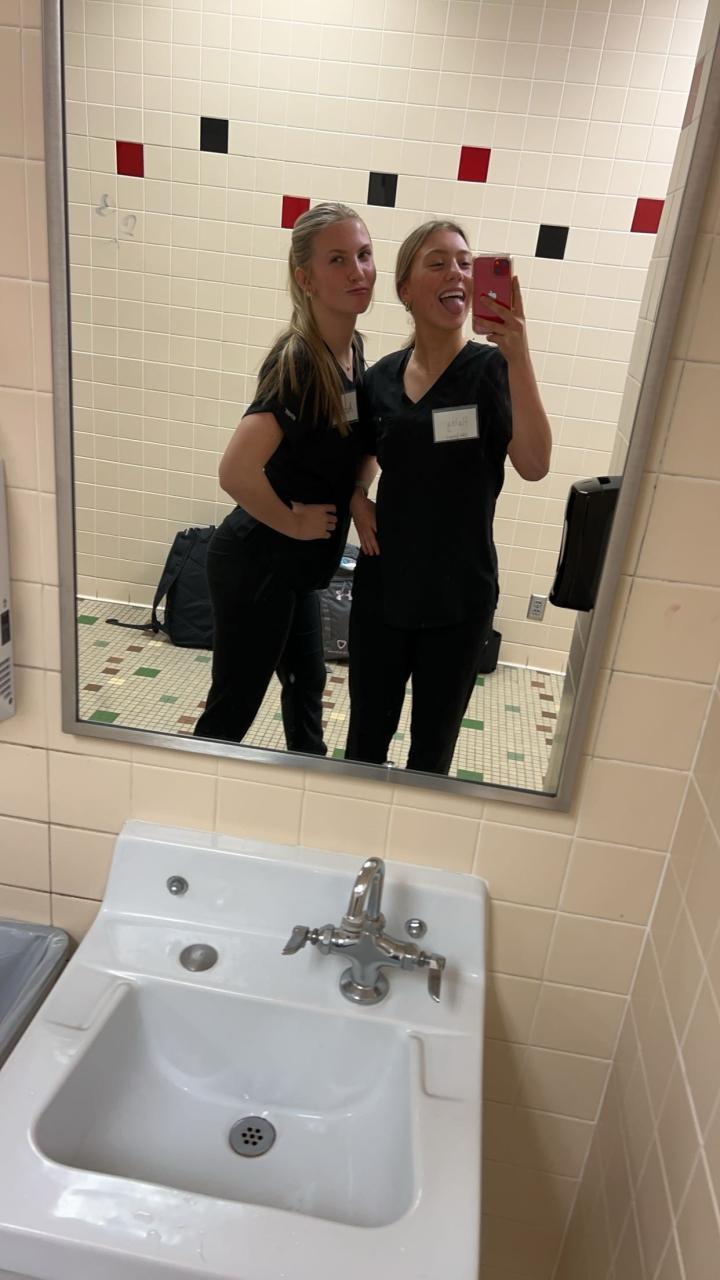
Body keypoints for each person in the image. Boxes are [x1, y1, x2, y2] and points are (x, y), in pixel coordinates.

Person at [346, 219, 552, 776]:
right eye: (436, 263)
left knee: (431, 753)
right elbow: (364, 450)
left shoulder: (493, 370)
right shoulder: (380, 379)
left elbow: (534, 464)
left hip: (460, 595)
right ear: (405, 290)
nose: (456, 273)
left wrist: (519, 355)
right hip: (385, 587)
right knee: (364, 742)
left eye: (464, 263)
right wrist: (358, 495)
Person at [194, 202, 376, 751]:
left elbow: (352, 447)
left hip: (294, 569)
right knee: (235, 705)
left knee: (307, 682)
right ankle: (193, 794)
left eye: (364, 255)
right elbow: (235, 470)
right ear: (306, 279)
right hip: (257, 564)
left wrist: (357, 491)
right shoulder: (299, 361)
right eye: (337, 259)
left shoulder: (350, 350)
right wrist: (294, 522)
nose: (358, 271)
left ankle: (310, 780)